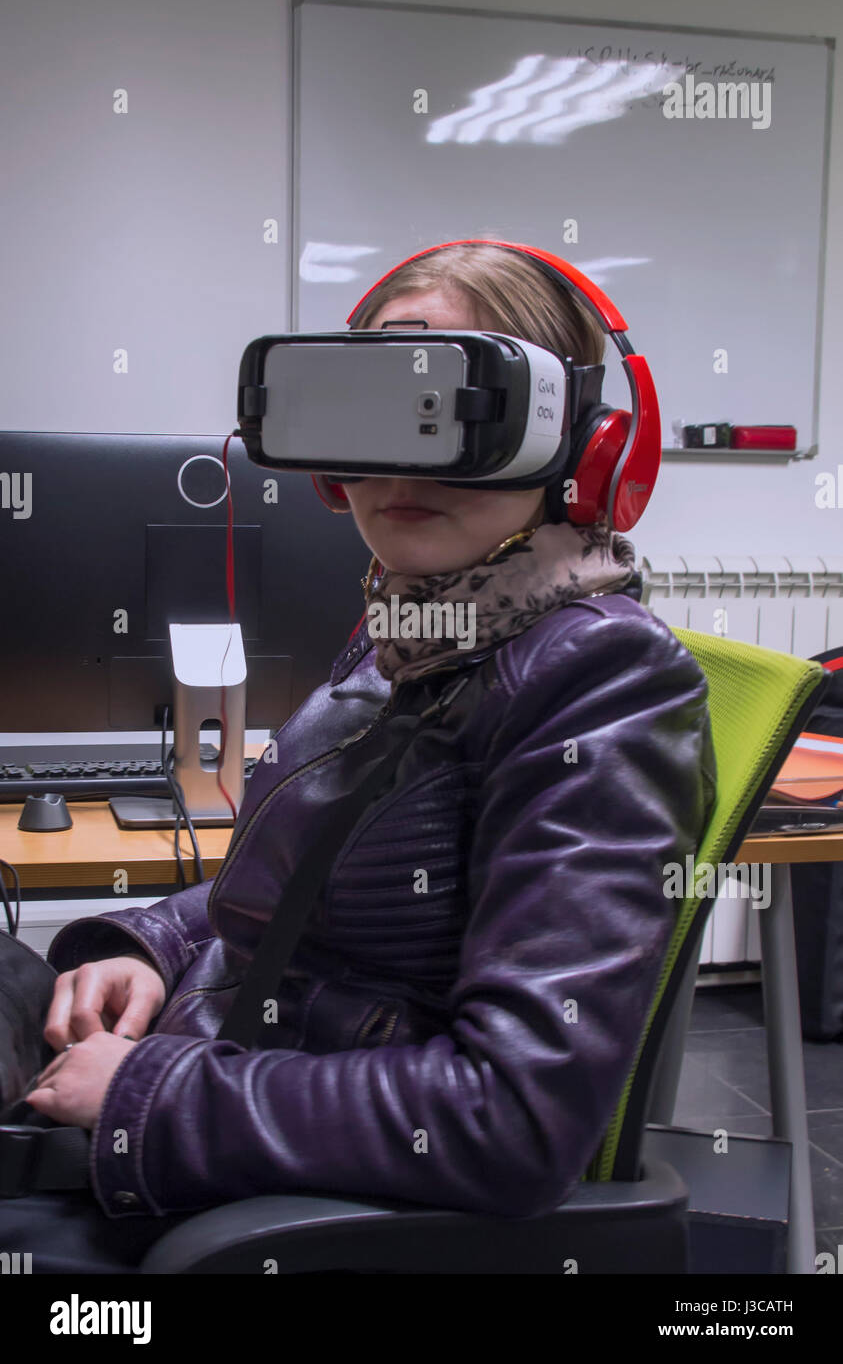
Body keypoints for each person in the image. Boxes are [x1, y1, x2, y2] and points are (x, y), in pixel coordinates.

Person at [1, 240, 716, 1271]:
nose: (395, 468)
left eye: (452, 420)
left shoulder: (598, 678)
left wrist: (146, 1097)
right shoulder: (418, 625)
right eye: (372, 416)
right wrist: (146, 945)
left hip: (246, 1188)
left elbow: (512, 1117)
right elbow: (300, 882)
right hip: (208, 1071)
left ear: (584, 446)